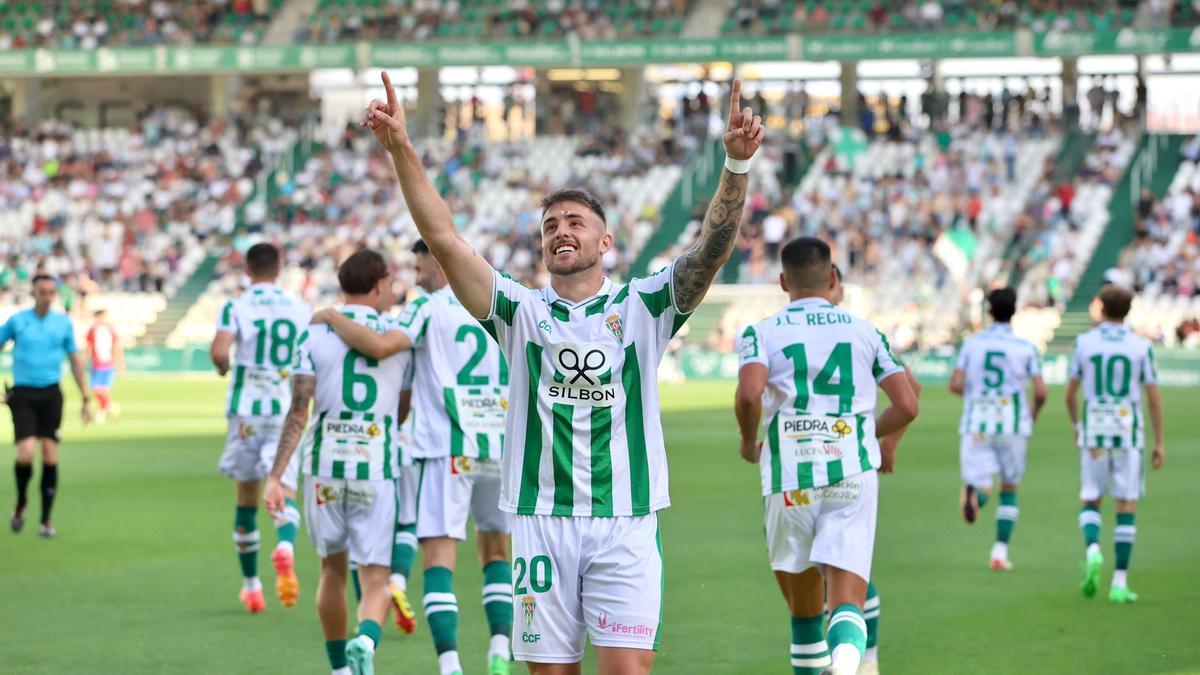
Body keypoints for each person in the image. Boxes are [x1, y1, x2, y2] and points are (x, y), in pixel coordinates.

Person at [362, 71, 763, 673]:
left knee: (626, 670)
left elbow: (711, 250)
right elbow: (443, 239)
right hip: (542, 520)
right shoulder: (519, 312)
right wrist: (401, 148)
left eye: (575, 222)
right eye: (551, 226)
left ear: (606, 242)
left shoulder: (644, 307)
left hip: (626, 520)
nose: (561, 231)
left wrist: (734, 168)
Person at [313, 239, 511, 675]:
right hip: (499, 446)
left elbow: (383, 347)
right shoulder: (505, 300)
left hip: (447, 447)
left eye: (422, 268)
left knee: (439, 558)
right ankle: (499, 646)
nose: (417, 278)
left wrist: (330, 315)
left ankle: (451, 665)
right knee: (496, 552)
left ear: (441, 265)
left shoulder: (428, 306)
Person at [734, 237, 918, 675]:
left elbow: (749, 395)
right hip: (851, 472)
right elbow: (909, 404)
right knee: (846, 601)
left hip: (789, 477)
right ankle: (852, 664)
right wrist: (862, 437)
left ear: (783, 281)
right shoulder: (865, 330)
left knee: (803, 615)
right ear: (833, 277)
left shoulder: (761, 332)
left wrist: (746, 440)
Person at [265, 249, 413, 675]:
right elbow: (402, 410)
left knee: (332, 570)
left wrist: (277, 476)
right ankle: (365, 639)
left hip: (324, 467)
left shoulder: (311, 335)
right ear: (381, 283)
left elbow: (298, 411)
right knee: (375, 575)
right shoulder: (400, 334)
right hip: (376, 467)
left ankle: (338, 670)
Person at [210, 243, 311, 613]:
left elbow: (221, 353)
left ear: (247, 270)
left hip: (246, 412)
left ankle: (252, 587)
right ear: (279, 268)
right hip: (287, 410)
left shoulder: (235, 305)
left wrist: (224, 369)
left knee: (246, 499)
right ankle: (284, 545)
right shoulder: (301, 308)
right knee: (283, 487)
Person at [1066, 285, 1164, 604]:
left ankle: (1093, 550)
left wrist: (1076, 426)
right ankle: (1119, 582)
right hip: (1128, 431)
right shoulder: (1141, 346)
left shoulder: (1084, 342)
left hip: (1095, 429)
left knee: (1091, 498)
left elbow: (1069, 393)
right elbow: (1153, 398)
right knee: (1126, 503)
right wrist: (1159, 441)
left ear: (1101, 308)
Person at [949, 287, 1048, 570]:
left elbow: (955, 384)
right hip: (1012, 422)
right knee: (1009, 488)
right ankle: (1000, 552)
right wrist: (1033, 414)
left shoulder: (972, 344)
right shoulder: (1026, 347)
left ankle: (977, 496)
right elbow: (1041, 393)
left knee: (981, 480)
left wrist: (977, 395)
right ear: (1014, 311)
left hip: (977, 421)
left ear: (989, 311)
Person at [2, 274, 92, 537]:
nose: (48, 296)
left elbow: (75, 360)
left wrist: (85, 397)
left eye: (52, 292)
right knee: (25, 453)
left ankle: (46, 519)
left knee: (51, 455)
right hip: (23, 394)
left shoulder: (62, 324)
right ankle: (21, 502)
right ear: (34, 293)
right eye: (43, 292)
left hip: (51, 393)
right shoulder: (18, 321)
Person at [85, 309, 124, 423]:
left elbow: (117, 346)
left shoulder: (110, 330)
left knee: (101, 390)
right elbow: (89, 347)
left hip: (107, 363)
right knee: (98, 390)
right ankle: (108, 407)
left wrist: (120, 362)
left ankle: (104, 410)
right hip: (96, 363)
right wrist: (85, 360)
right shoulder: (93, 330)